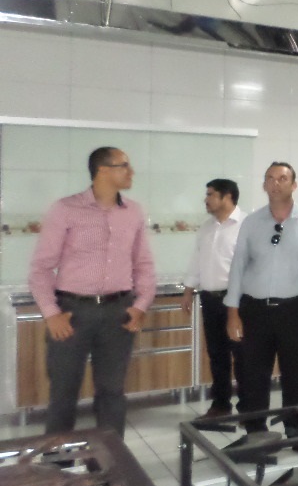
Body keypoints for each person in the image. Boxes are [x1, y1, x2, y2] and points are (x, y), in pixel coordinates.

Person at [29, 146, 155, 437]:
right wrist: (51, 314)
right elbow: (41, 268)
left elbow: (143, 264)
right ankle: (58, 460)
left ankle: (110, 460)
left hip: (118, 311)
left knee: (112, 392)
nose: (131, 171)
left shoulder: (133, 211)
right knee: (64, 392)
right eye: (124, 165)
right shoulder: (65, 209)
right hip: (72, 312)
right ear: (103, 170)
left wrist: (140, 305)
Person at [225, 162, 298, 438]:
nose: (275, 183)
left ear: (294, 185)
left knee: (294, 376)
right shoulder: (251, 222)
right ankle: (256, 434)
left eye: (282, 178)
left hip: (296, 311)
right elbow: (238, 267)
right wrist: (233, 312)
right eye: (270, 178)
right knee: (253, 377)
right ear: (264, 184)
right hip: (254, 311)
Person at [181, 178, 247, 419]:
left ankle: (248, 409)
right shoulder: (207, 227)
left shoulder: (246, 225)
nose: (206, 199)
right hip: (209, 300)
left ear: (227, 196)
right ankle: (220, 405)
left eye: (210, 194)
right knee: (217, 355)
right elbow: (197, 260)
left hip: (237, 301)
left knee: (242, 356)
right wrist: (188, 290)